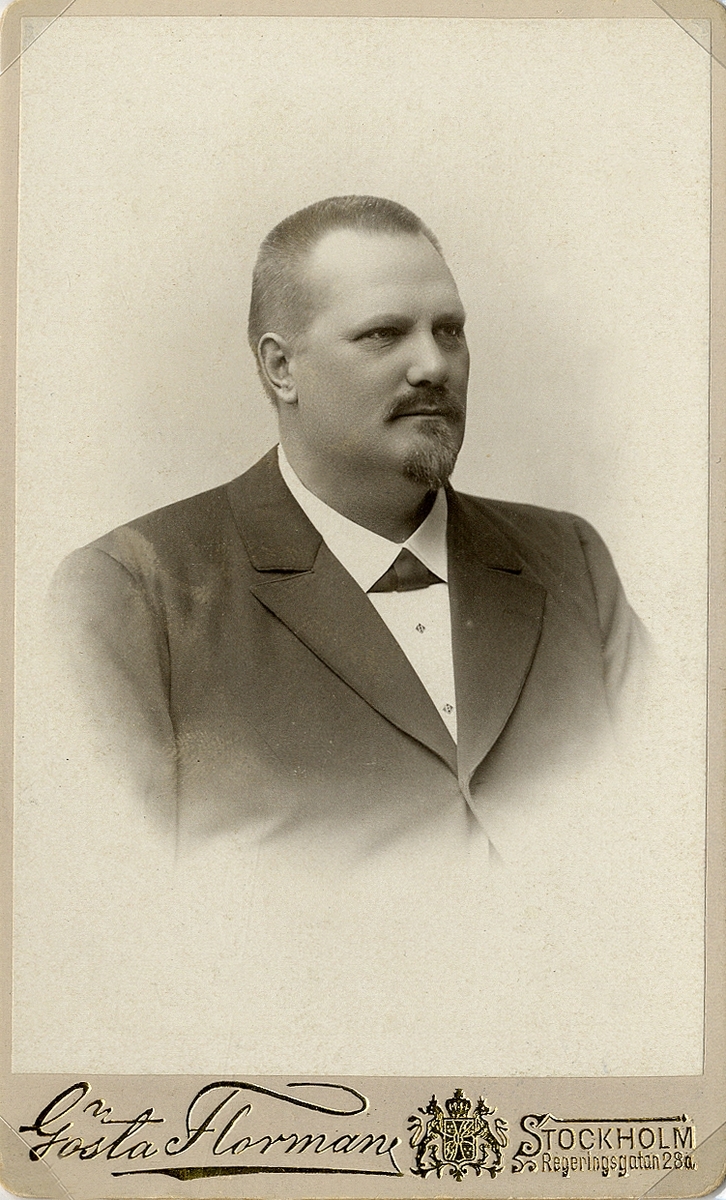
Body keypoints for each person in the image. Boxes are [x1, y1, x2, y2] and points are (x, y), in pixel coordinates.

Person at [50, 195, 646, 855]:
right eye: (384, 334)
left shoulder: (572, 559)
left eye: (449, 330)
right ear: (281, 369)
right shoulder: (133, 592)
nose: (434, 366)